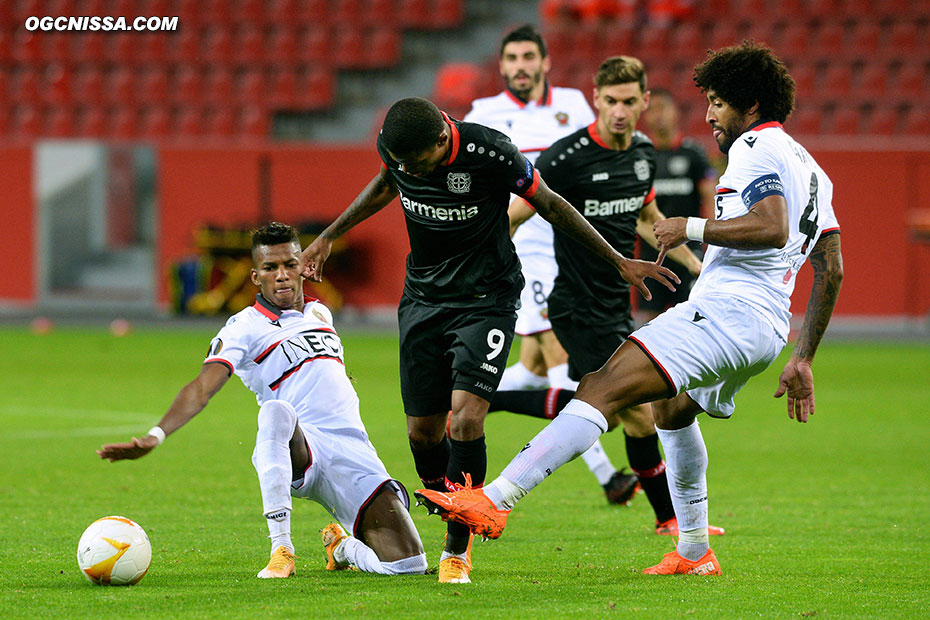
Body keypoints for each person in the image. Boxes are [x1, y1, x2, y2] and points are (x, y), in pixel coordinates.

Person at [415, 41, 844, 576]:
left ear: (750, 104)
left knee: (600, 386)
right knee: (671, 410)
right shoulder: (811, 167)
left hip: (728, 314)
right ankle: (693, 551)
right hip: (767, 328)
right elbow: (832, 267)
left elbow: (772, 226)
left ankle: (494, 499)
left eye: (717, 101)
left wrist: (688, 226)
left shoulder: (755, 146)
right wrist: (804, 356)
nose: (709, 114)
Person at [301, 97, 677, 583]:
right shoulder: (400, 150)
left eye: (417, 163)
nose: (410, 171)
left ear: (442, 138)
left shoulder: (490, 152)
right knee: (422, 432)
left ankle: (458, 547)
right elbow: (387, 183)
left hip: (487, 298)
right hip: (422, 298)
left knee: (468, 415)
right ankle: (449, 505)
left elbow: (553, 205)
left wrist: (618, 260)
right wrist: (330, 234)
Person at [98, 222, 427, 578]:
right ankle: (281, 548)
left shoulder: (320, 313)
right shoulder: (243, 328)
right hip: (299, 445)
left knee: (407, 564)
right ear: (256, 277)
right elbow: (202, 387)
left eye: (289, 264)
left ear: (304, 265)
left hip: (352, 448)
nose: (282, 275)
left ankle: (342, 547)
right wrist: (156, 435)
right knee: (275, 410)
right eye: (271, 268)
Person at [501, 55, 711, 537]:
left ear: (644, 102)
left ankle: (496, 399)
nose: (619, 110)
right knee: (639, 409)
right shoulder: (565, 156)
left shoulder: (641, 151)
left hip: (616, 304)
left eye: (628, 101)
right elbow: (513, 216)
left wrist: (695, 264)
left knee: (614, 414)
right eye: (610, 101)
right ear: (596, 100)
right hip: (576, 305)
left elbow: (645, 216)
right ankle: (669, 521)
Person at [464, 23, 637, 504]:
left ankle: (471, 396)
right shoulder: (484, 115)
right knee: (562, 357)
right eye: (512, 59)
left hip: (574, 246)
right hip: (526, 250)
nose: (521, 66)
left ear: (544, 63)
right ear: (502, 66)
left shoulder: (575, 107)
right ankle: (607, 476)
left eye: (528, 57)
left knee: (536, 363)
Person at [637, 87, 717, 320]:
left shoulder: (694, 154)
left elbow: (709, 198)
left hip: (689, 249)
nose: (657, 115)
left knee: (693, 317)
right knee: (649, 320)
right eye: (651, 110)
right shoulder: (642, 156)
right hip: (652, 253)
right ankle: (652, 357)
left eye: (663, 108)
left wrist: (711, 240)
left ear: (675, 113)